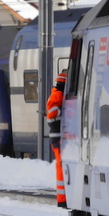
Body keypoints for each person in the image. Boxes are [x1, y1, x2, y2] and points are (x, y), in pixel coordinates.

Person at [46, 70, 67, 207]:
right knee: (60, 167)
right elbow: (52, 112)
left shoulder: (56, 94)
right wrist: (64, 112)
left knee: (61, 166)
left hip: (58, 136)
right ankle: (61, 199)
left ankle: (63, 197)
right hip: (57, 136)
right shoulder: (57, 95)